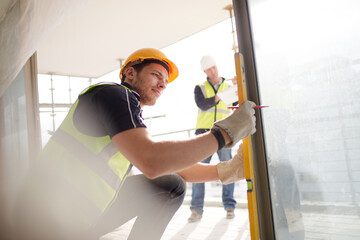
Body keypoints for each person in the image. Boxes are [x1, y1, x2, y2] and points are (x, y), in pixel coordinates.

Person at [13, 48, 256, 240]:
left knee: (171, 183)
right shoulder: (114, 95)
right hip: (46, 217)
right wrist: (224, 134)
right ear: (130, 73)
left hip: (77, 216)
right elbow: (152, 161)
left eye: (165, 81)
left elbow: (174, 167)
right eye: (156, 75)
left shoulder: (128, 121)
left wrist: (228, 171)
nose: (162, 84)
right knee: (170, 183)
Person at [188, 55, 239, 223]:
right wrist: (219, 96)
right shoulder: (200, 87)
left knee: (228, 169)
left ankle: (230, 206)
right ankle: (196, 210)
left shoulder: (229, 86)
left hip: (224, 134)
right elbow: (202, 104)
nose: (213, 71)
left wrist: (239, 84)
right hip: (204, 135)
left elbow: (237, 102)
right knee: (198, 172)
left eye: (214, 67)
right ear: (205, 71)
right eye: (209, 69)